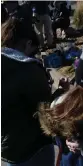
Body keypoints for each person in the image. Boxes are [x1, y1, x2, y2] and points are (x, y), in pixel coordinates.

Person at [1, 16, 56, 166]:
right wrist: (59, 91)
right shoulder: (29, 69)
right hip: (33, 148)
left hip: (7, 148)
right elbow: (46, 109)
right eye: (33, 51)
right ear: (28, 43)